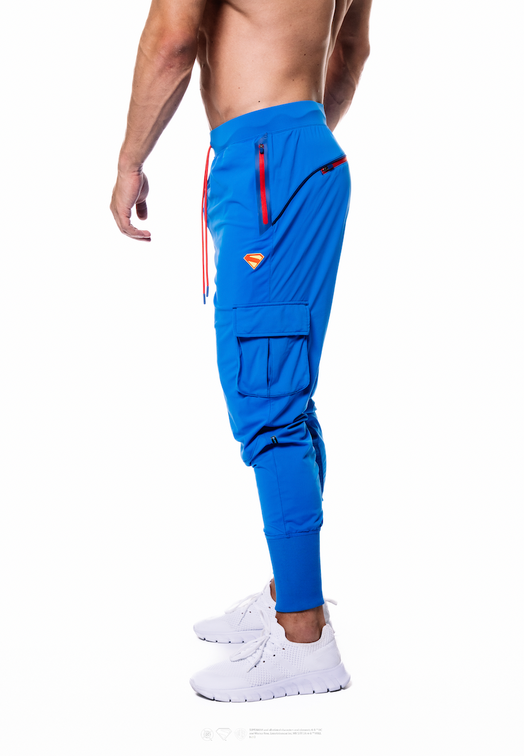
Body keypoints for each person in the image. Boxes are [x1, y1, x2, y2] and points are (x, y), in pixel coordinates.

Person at [110, 0, 372, 703]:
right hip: (301, 153)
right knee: (287, 391)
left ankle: (304, 639)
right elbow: (351, 50)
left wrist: (130, 161)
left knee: (267, 401)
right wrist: (298, 143)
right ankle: (292, 589)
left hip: (265, 161)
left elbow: (172, 37)